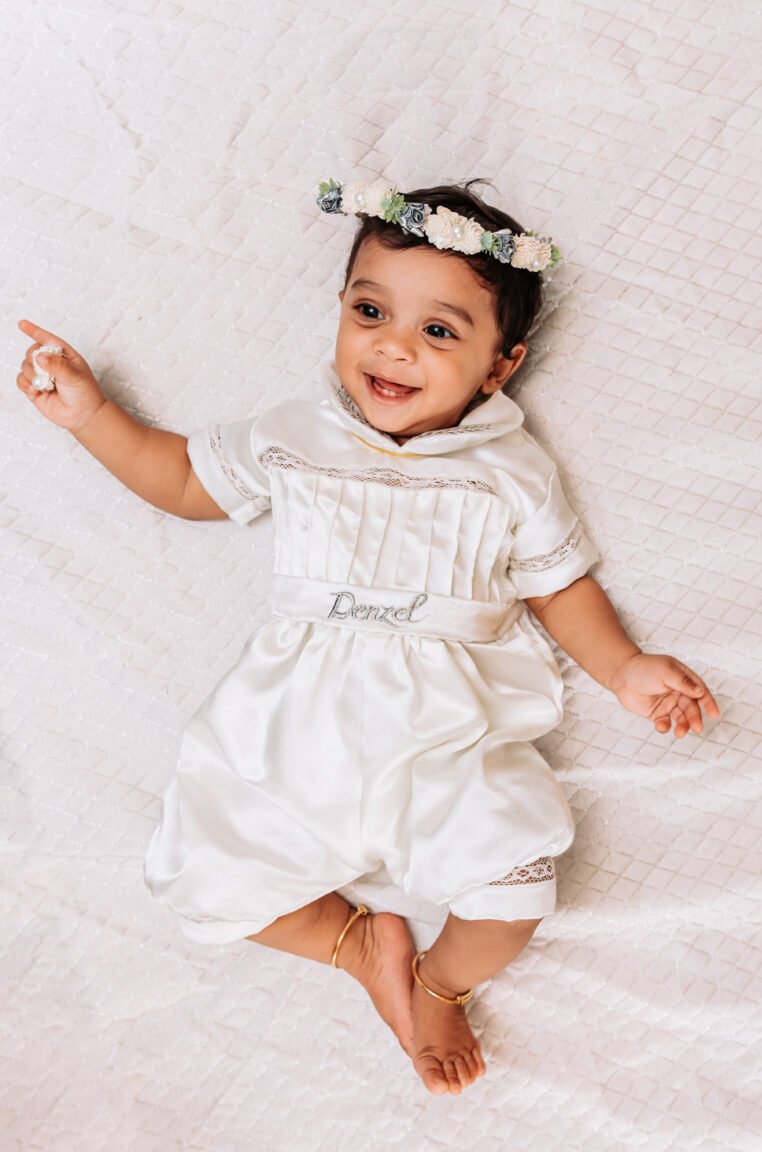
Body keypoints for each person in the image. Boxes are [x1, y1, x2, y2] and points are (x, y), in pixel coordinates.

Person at [15, 179, 719, 1098]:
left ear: (499, 368)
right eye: (371, 310)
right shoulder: (298, 433)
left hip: (449, 739)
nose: (392, 345)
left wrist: (625, 668)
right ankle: (358, 945)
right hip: (296, 722)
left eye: (440, 332)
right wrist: (91, 418)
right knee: (203, 883)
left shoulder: (512, 470)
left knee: (516, 887)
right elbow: (186, 479)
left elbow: (561, 586)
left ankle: (438, 980)